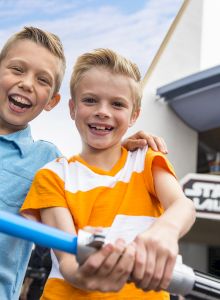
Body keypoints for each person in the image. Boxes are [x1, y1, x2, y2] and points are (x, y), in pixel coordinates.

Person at [0, 26, 167, 300]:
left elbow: (84, 173)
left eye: (42, 80)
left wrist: (118, 148)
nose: (27, 83)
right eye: (17, 70)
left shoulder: (44, 160)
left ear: (52, 102)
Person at [21, 48, 196, 300]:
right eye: (90, 100)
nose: (103, 111)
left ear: (134, 115)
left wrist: (166, 230)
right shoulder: (52, 176)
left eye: (117, 104)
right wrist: (83, 275)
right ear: (72, 108)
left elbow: (183, 206)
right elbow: (68, 263)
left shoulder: (145, 160)